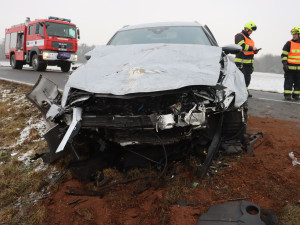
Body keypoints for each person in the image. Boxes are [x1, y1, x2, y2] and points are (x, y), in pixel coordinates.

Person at [235, 21, 259, 97]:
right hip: (241, 62)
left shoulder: (251, 40)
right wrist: (252, 48)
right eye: (250, 30)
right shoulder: (239, 36)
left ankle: (245, 91)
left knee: (247, 79)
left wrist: (254, 51)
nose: (251, 32)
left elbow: (249, 51)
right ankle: (239, 92)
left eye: (252, 31)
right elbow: (241, 46)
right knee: (240, 79)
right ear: (246, 28)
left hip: (249, 63)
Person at [281, 27, 300, 100]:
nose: (294, 36)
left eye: (295, 34)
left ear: (299, 35)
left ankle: (296, 95)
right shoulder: (289, 43)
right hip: (289, 68)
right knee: (288, 82)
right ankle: (287, 95)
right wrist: (285, 63)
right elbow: (284, 55)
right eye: (293, 34)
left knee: (298, 83)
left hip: (299, 69)